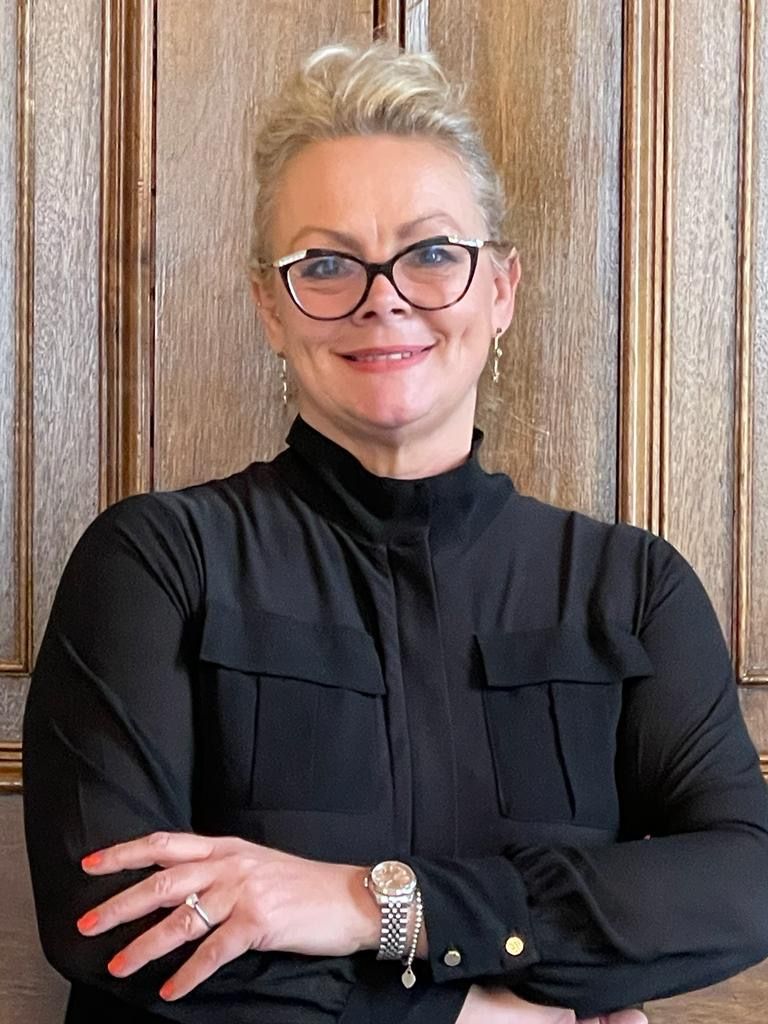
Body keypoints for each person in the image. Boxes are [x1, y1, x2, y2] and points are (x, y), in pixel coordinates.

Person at [22, 40, 768, 1024]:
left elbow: (741, 883)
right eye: (325, 263)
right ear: (269, 310)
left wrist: (369, 903)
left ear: (500, 289)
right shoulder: (157, 563)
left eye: (430, 254)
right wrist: (485, 1017)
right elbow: (116, 922)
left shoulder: (628, 589)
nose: (384, 297)